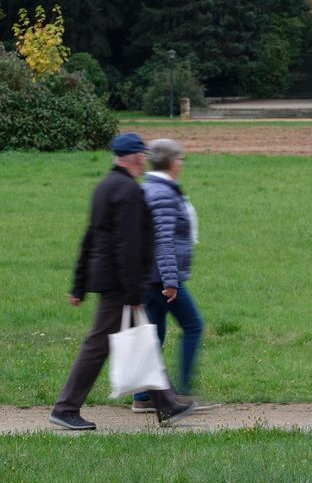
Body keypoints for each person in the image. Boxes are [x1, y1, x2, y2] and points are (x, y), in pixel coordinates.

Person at [49, 133, 196, 430]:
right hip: (119, 284)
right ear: (136, 157)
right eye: (142, 154)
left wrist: (79, 285)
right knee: (98, 344)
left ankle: (165, 404)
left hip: (111, 279)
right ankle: (65, 408)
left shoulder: (104, 186)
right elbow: (128, 246)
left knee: (143, 339)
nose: (145, 159)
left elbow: (90, 237)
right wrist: (133, 291)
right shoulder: (129, 191)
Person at [132, 139, 216, 412]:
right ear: (171, 162)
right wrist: (171, 281)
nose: (182, 164)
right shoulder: (163, 193)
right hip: (161, 278)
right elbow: (162, 241)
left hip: (150, 276)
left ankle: (145, 396)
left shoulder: (155, 188)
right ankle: (179, 395)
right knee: (193, 326)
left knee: (154, 333)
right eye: (180, 159)